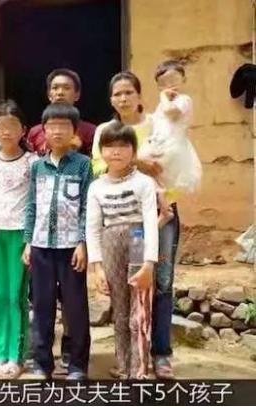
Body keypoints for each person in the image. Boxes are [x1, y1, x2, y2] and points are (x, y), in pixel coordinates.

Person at [92, 71, 180, 379]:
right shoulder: (105, 130)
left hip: (160, 210)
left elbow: (173, 160)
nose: (123, 98)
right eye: (117, 93)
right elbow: (98, 166)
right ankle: (131, 357)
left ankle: (161, 353)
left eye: (129, 92)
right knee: (126, 288)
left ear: (140, 95)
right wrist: (137, 162)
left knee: (162, 282)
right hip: (121, 218)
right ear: (111, 99)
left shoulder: (158, 125)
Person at [27, 68, 95, 369]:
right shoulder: (36, 167)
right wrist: (28, 242)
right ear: (43, 130)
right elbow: (31, 206)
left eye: (63, 126)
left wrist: (83, 242)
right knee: (41, 307)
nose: (56, 132)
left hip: (71, 248)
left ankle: (78, 365)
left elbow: (87, 208)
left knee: (76, 308)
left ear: (74, 131)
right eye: (51, 126)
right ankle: (42, 363)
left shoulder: (83, 165)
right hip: (41, 246)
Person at [86, 121, 158, 379]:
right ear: (101, 151)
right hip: (110, 246)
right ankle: (123, 365)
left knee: (139, 311)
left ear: (134, 151)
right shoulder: (96, 187)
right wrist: (97, 268)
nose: (116, 152)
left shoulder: (144, 183)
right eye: (109, 146)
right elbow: (93, 228)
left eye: (123, 146)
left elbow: (151, 223)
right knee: (119, 310)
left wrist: (149, 264)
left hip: (138, 242)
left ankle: (139, 370)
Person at [0, 100, 37, 379]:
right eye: (0, 126)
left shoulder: (32, 162)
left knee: (16, 296)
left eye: (12, 126)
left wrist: (31, 240)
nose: (6, 132)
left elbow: (36, 203)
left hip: (20, 233)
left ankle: (17, 356)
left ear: (23, 130)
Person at [138, 60, 202, 224]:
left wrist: (163, 97)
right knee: (145, 167)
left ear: (183, 80)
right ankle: (162, 205)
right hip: (159, 143)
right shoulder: (163, 104)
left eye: (174, 80)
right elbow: (155, 121)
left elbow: (170, 112)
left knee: (154, 172)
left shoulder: (183, 100)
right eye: (164, 83)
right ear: (159, 86)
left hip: (171, 146)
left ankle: (164, 208)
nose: (170, 86)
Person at [27, 68, 96, 157]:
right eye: (55, 88)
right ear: (49, 95)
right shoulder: (35, 132)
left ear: (77, 95)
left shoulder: (91, 131)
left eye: (66, 88)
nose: (60, 93)